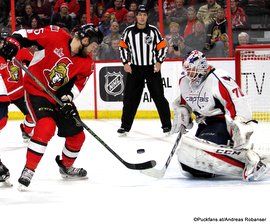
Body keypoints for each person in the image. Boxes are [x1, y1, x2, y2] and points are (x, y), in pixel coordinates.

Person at [0, 23, 103, 189]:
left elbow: (77, 86)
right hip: (36, 91)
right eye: (93, 45)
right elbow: (25, 33)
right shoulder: (55, 35)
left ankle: (66, 167)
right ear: (84, 40)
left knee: (78, 136)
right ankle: (29, 170)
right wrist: (14, 42)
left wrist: (68, 99)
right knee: (46, 126)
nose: (93, 50)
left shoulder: (87, 63)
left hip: (58, 97)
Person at [170, 50, 269, 181]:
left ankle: (253, 160)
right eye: (186, 70)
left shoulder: (218, 79)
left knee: (201, 156)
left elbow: (237, 102)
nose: (188, 73)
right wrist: (183, 111)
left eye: (191, 70)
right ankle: (232, 161)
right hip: (204, 125)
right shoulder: (185, 81)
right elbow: (185, 101)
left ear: (201, 66)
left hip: (222, 124)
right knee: (189, 163)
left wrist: (239, 125)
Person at [118, 5, 171, 135]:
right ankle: (125, 126)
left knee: (159, 97)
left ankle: (167, 125)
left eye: (144, 15)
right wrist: (125, 62)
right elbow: (122, 47)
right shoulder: (128, 31)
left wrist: (159, 61)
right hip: (135, 69)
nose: (142, 17)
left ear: (147, 17)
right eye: (140, 15)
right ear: (136, 16)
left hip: (151, 68)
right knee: (130, 99)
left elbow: (162, 47)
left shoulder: (153, 31)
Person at [0, 33, 35, 142]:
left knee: (33, 115)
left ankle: (26, 130)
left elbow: (34, 64)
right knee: (1, 121)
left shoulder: (21, 52)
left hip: (19, 93)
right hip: (2, 95)